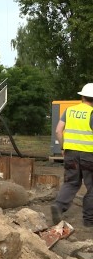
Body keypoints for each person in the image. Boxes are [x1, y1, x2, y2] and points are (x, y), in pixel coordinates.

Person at [51, 83, 93, 227]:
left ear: (82, 96)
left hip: (70, 153)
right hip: (89, 155)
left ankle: (59, 205)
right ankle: (89, 221)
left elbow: (58, 131)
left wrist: (63, 147)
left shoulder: (69, 111)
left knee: (71, 182)